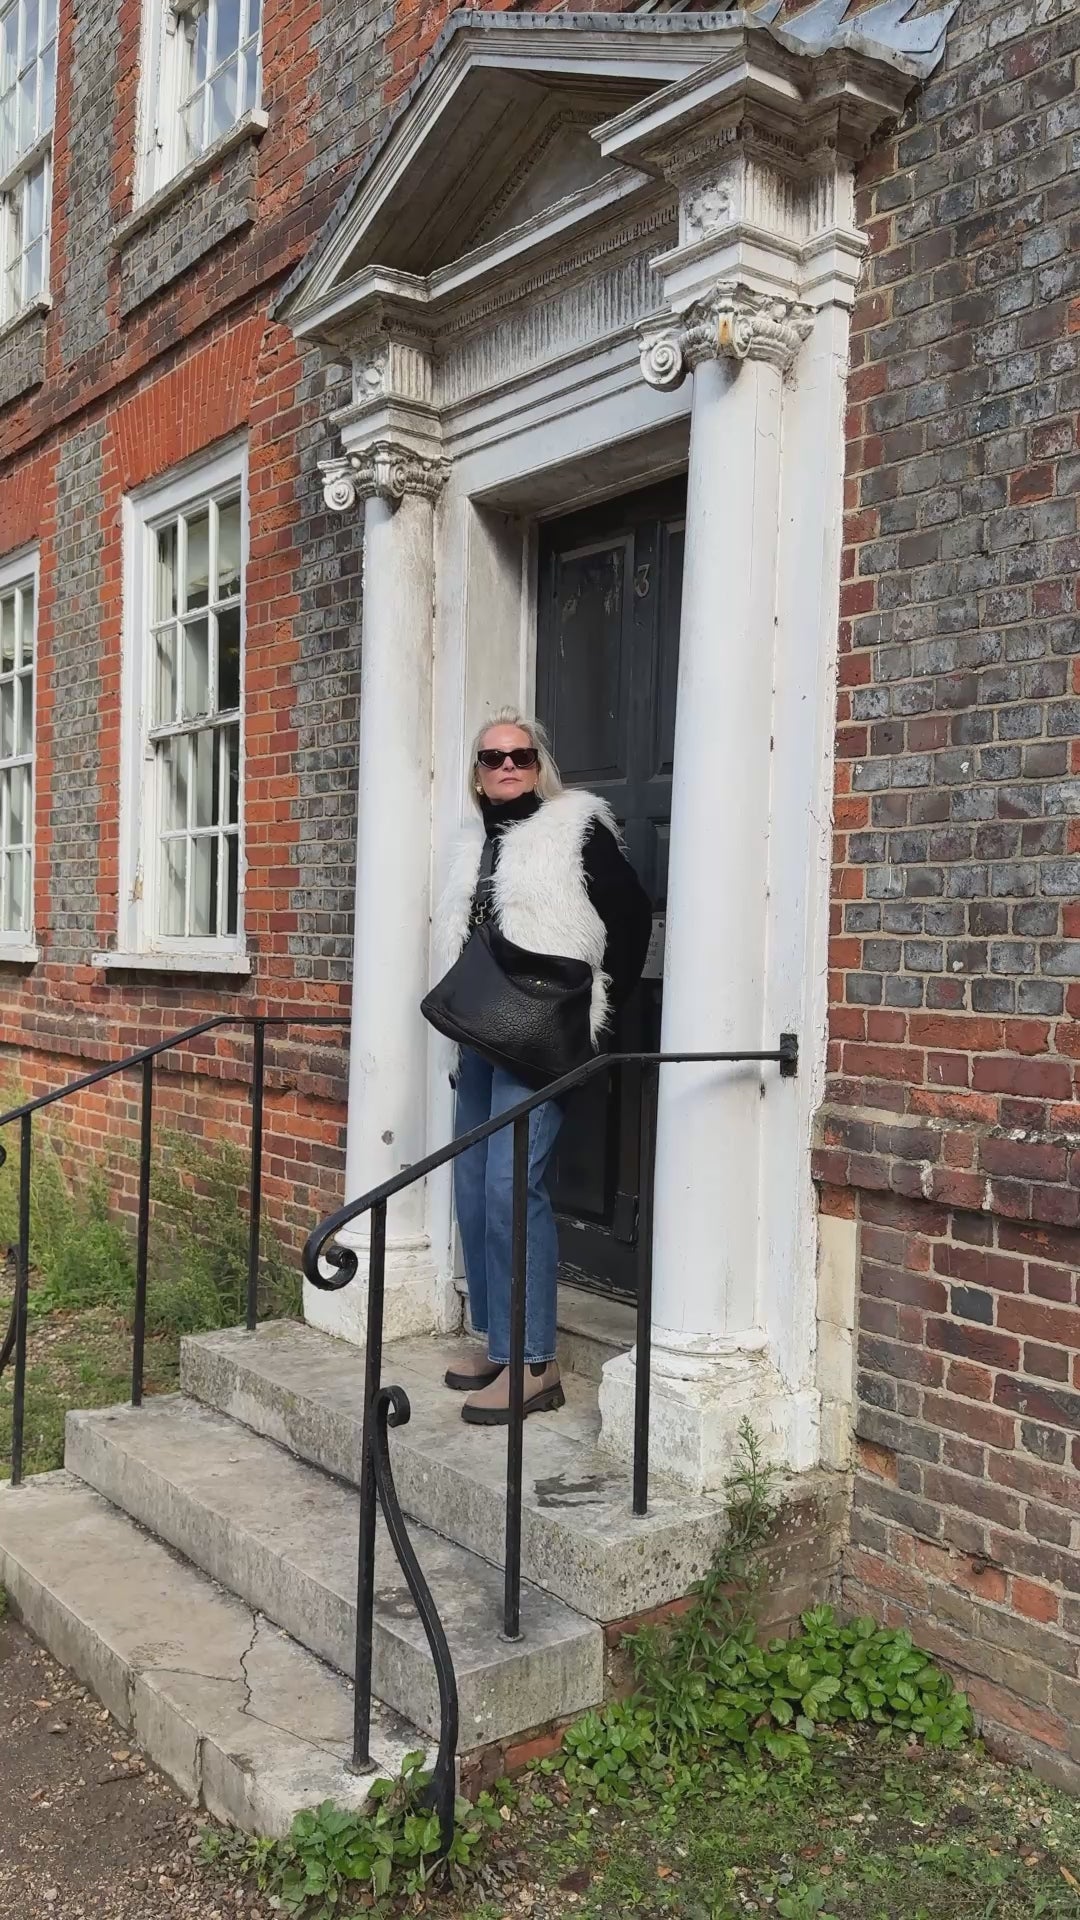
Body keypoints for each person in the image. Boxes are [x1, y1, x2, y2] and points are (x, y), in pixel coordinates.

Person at [432, 709, 651, 1426]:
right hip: (482, 1034)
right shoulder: (475, 842)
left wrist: (597, 1011)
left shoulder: (576, 829)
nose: (506, 768)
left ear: (539, 765)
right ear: (477, 772)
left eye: (520, 757)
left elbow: (631, 918)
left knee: (509, 1186)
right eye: (492, 758)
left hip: (545, 1038)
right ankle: (499, 1342)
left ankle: (535, 1364)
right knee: (472, 1185)